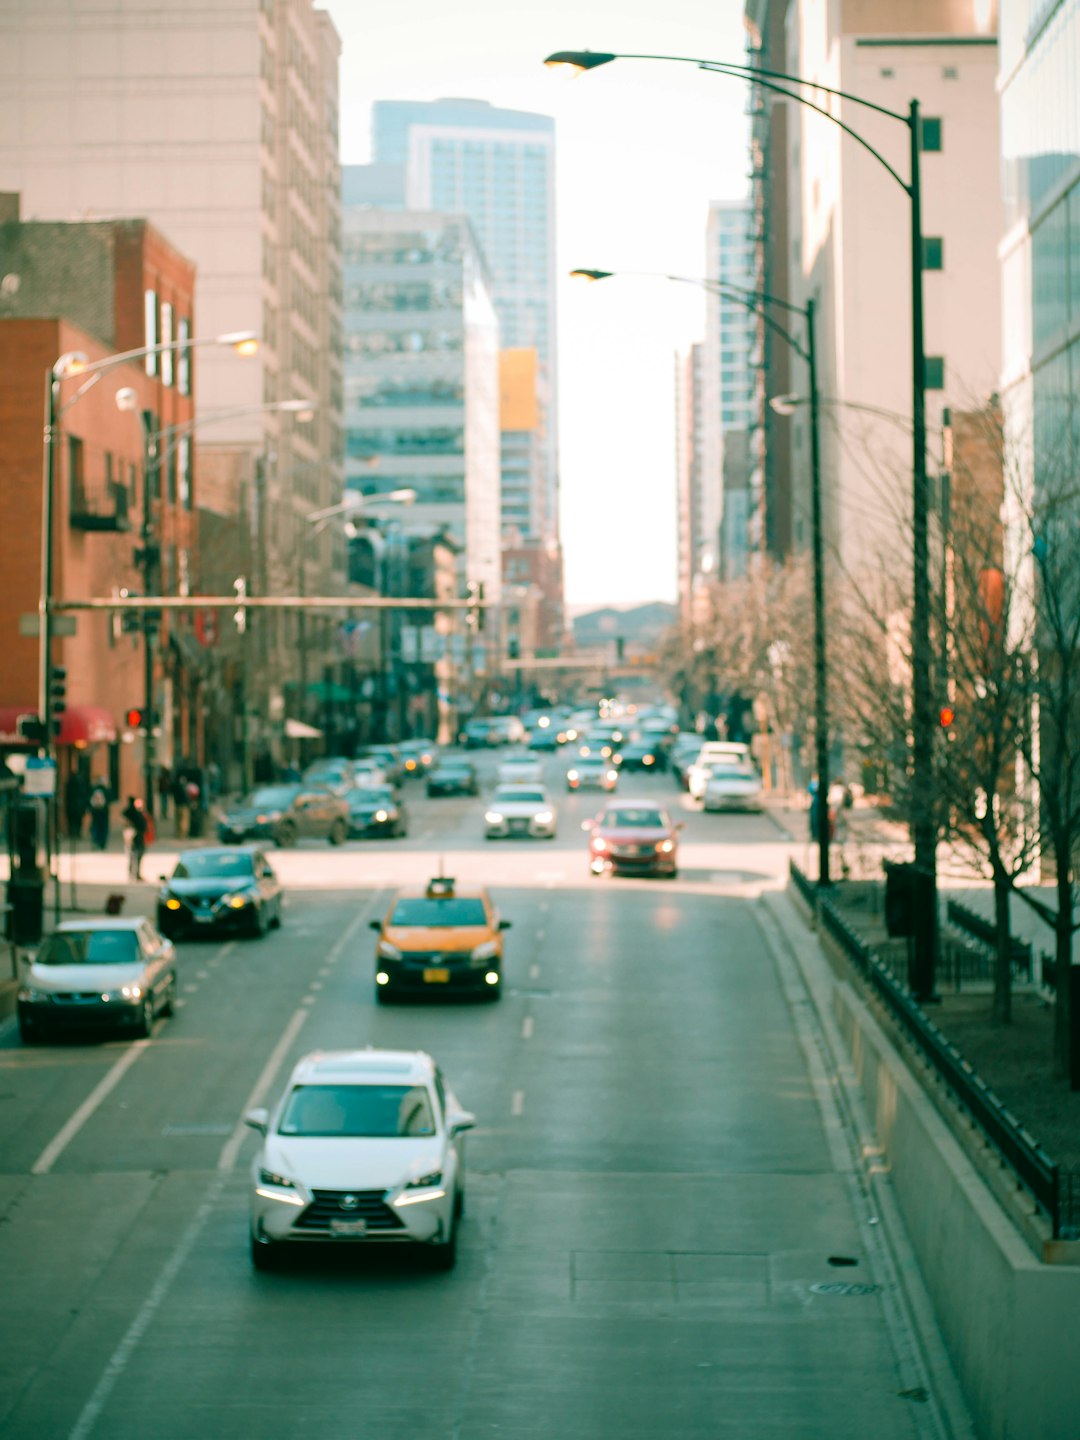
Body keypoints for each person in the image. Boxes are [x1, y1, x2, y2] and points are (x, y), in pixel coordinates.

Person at [121, 796, 148, 880]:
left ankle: (133, 873)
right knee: (135, 855)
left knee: (132, 856)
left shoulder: (130, 812)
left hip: (134, 837)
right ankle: (135, 873)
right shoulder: (137, 814)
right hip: (136, 837)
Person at [88, 780, 110, 850]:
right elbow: (110, 798)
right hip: (103, 812)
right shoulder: (105, 790)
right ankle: (102, 843)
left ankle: (96, 841)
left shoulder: (93, 789)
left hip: (95, 812)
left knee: (95, 826)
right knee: (103, 828)